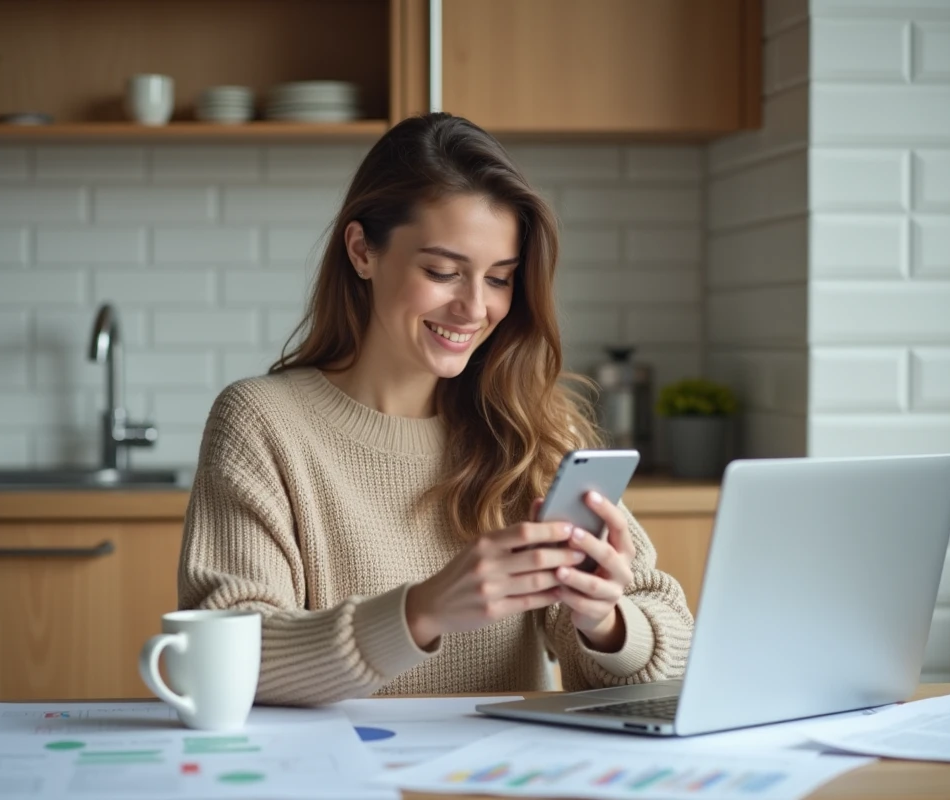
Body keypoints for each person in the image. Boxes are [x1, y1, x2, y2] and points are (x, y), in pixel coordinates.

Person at [178, 112, 693, 705]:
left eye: (499, 279)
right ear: (361, 250)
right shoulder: (263, 423)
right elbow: (227, 655)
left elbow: (670, 659)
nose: (474, 308)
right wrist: (420, 613)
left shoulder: (533, 428)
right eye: (442, 272)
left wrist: (605, 621)